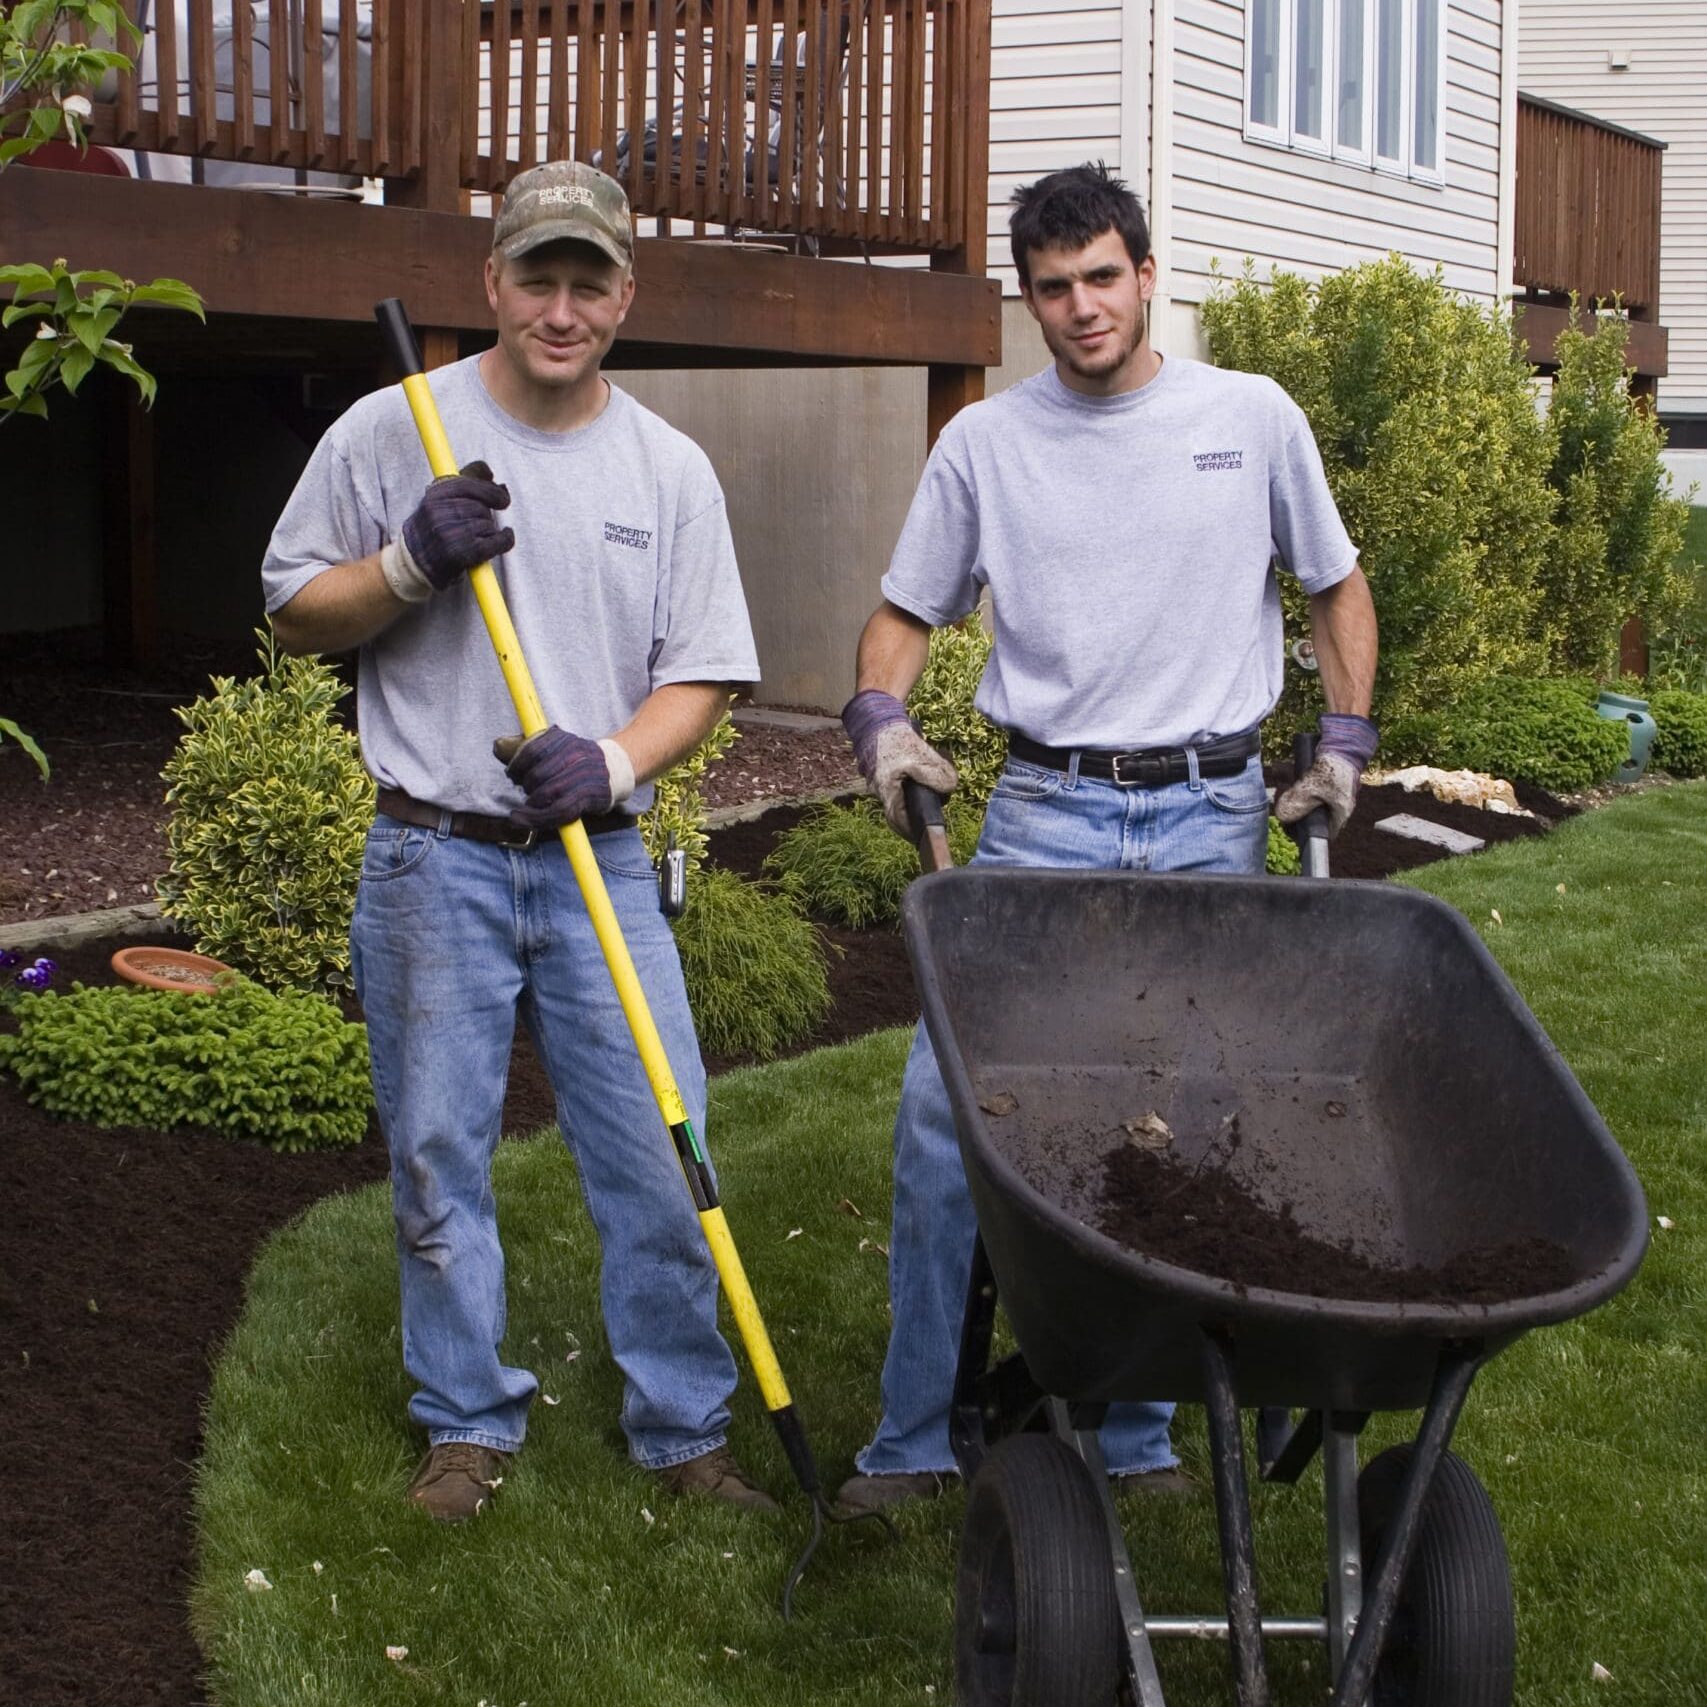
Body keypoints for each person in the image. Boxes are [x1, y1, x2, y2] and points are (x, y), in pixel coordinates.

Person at [834, 163, 1380, 1513]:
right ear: (1031, 303)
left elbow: (1335, 588)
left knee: (1181, 1128)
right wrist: (878, 720)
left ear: (1147, 275)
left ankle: (1136, 1442)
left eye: (1101, 278)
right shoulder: (986, 447)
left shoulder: (1249, 419)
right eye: (1053, 288)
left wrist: (1347, 741)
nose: (1081, 307)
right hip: (1043, 812)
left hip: (1210, 811)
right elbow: (904, 616)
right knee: (942, 1119)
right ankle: (912, 1440)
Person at [262, 161, 774, 1522]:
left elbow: (707, 671)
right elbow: (295, 613)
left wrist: (608, 759)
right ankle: (466, 1420)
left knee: (666, 1152)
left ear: (625, 292)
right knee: (437, 1157)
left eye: (587, 280)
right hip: (435, 858)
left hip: (598, 860)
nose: (560, 307)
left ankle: (685, 1427)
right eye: (535, 277)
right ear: (491, 281)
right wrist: (409, 567)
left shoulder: (669, 468)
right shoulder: (396, 431)